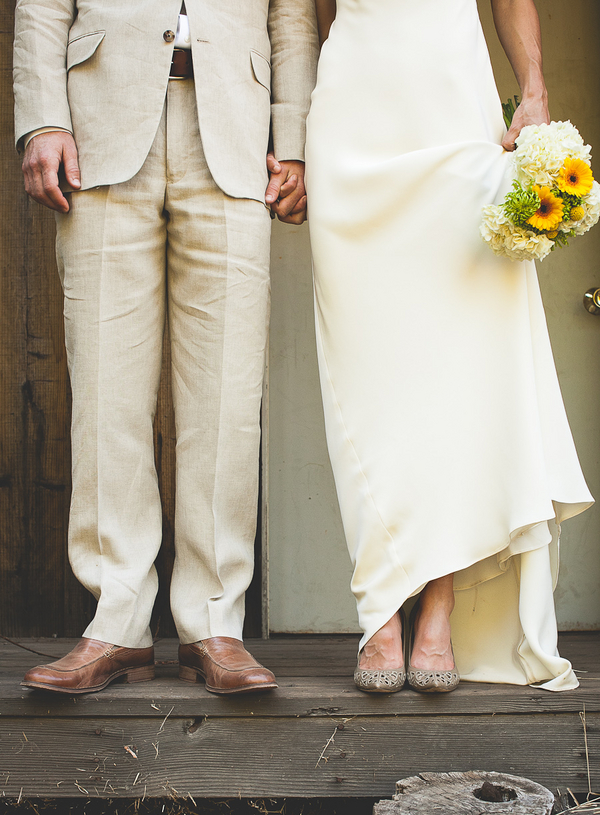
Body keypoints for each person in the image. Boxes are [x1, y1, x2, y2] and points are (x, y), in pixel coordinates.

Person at [13, 0, 318, 695]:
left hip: (237, 137)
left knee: (227, 395)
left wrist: (294, 138)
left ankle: (214, 621)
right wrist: (43, 118)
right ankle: (117, 621)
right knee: (105, 387)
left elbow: (292, 17)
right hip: (98, 127)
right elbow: (40, 7)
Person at [306, 0, 593, 693]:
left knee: (454, 370)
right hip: (353, 116)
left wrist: (534, 91)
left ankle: (438, 606)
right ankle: (379, 606)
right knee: (366, 371)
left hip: (453, 105)